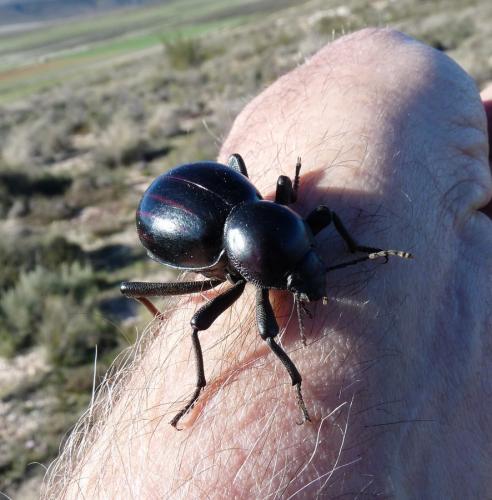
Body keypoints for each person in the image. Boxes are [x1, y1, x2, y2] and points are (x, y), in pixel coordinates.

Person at [43, 28, 492, 498]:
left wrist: (355, 249)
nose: (312, 282)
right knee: (197, 322)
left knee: (307, 217)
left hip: (226, 204)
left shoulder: (286, 226)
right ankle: (199, 386)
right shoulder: (241, 262)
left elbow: (319, 220)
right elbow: (267, 313)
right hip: (176, 217)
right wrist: (294, 385)